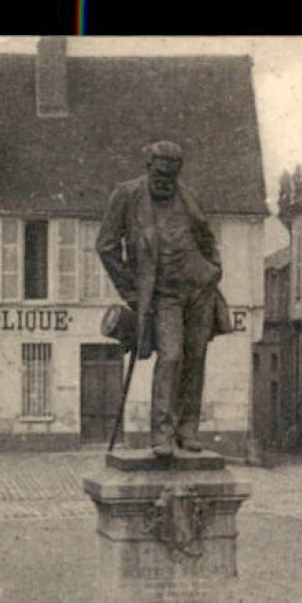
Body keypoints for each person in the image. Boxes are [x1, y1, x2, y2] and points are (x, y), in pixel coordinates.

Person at [96, 141, 227, 456]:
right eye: (159, 172)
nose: (164, 180)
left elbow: (206, 236)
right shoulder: (127, 196)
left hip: (199, 289)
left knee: (196, 358)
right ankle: (162, 435)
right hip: (163, 294)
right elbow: (106, 246)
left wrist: (213, 269)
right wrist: (134, 295)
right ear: (148, 167)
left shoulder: (189, 197)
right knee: (170, 357)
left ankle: (188, 430)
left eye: (171, 174)